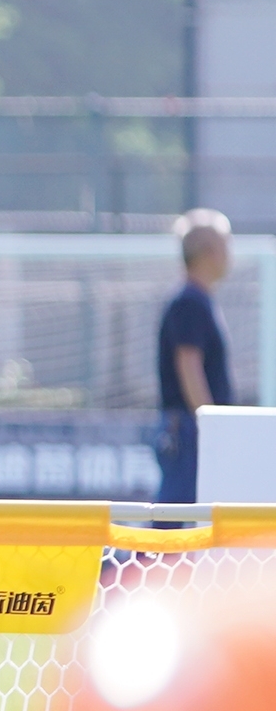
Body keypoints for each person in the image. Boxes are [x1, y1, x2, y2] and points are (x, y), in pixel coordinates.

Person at [156, 208, 235, 506]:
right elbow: (189, 366)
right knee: (175, 519)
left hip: (191, 427)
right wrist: (210, 425)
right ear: (209, 251)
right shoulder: (189, 302)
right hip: (189, 429)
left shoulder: (198, 300)